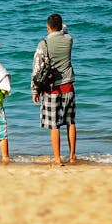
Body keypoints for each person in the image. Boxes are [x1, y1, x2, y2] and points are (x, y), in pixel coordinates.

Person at [31, 13, 76, 165]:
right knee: (70, 122)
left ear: (48, 28)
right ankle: (72, 156)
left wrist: (35, 90)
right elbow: (65, 29)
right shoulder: (69, 40)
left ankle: (58, 159)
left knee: (54, 125)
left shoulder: (43, 44)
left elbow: (36, 69)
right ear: (61, 26)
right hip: (68, 86)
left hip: (51, 89)